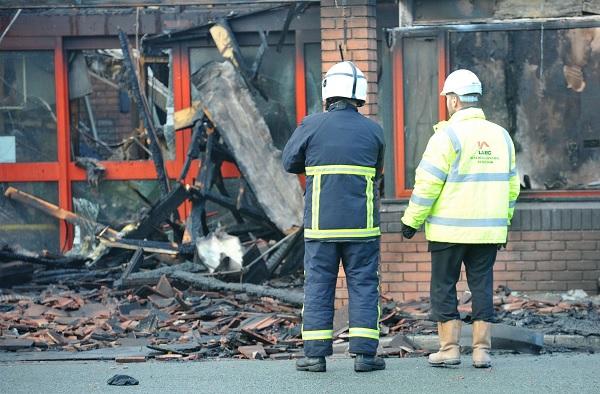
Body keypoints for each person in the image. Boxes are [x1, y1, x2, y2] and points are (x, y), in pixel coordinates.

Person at [401, 69, 520, 368]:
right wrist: (503, 223)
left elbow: (428, 183)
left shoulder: (447, 136)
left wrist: (412, 220)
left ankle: (450, 349)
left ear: (454, 100)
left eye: (447, 99)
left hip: (448, 231)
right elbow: (511, 187)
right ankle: (482, 351)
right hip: (488, 233)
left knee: (443, 286)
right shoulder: (501, 136)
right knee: (482, 286)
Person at [282, 61, 386, 373]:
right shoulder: (375, 131)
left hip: (321, 227)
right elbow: (379, 173)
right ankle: (366, 357)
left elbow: (289, 162)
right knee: (364, 287)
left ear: (328, 93)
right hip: (362, 227)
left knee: (318, 287)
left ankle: (314, 357)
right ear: (359, 96)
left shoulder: (311, 125)